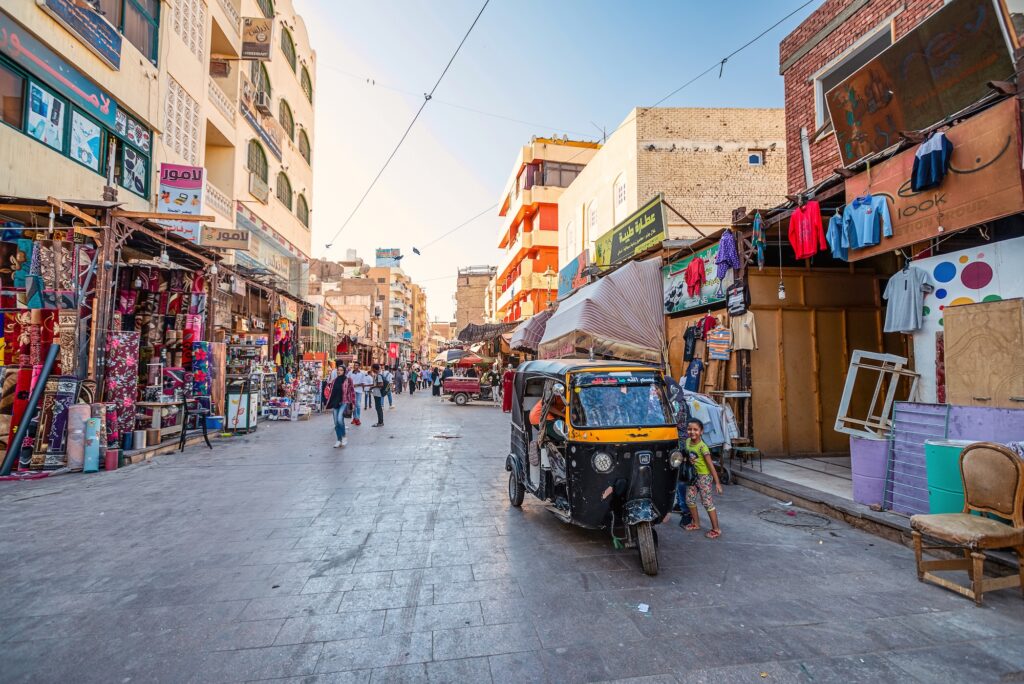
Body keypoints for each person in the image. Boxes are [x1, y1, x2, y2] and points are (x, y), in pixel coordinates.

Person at [681, 418, 723, 539]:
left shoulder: (703, 447)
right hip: (692, 476)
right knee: (689, 500)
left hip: (704, 477)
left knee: (707, 503)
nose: (692, 432)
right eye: (689, 429)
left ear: (701, 431)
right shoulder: (687, 441)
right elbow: (687, 454)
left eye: (695, 429)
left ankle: (716, 529)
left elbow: (711, 466)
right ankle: (696, 523)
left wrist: (717, 483)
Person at [325, 365, 355, 448]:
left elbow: (352, 392)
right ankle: (339, 440)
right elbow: (331, 393)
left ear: (344, 371)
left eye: (341, 370)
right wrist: (327, 404)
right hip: (335, 403)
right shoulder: (334, 381)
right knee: (336, 423)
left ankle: (344, 436)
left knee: (339, 419)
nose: (339, 371)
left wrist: (353, 403)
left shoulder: (348, 380)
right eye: (338, 370)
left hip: (344, 402)